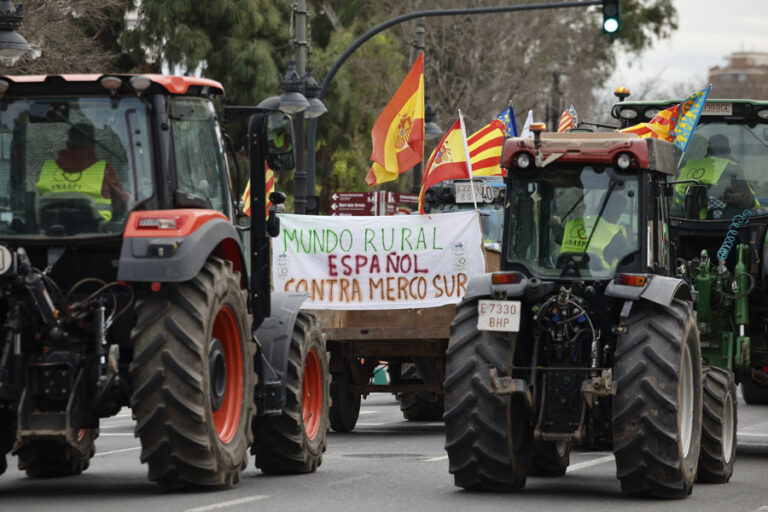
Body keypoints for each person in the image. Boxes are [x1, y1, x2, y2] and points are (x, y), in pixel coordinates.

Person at [36, 121, 129, 221]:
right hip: (97, 231)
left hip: (50, 230)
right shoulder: (104, 169)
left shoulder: (48, 168)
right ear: (93, 144)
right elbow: (121, 204)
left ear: (67, 144)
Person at [674, 133, 759, 219]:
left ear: (707, 150)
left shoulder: (689, 166)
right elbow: (750, 201)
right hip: (725, 225)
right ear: (728, 150)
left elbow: (677, 197)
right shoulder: (734, 167)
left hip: (687, 223)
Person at [556, 191, 631, 270]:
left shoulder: (574, 225)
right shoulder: (614, 234)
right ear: (617, 214)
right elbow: (629, 259)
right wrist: (631, 241)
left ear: (598, 207)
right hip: (600, 278)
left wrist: (556, 225)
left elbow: (559, 237)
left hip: (566, 275)